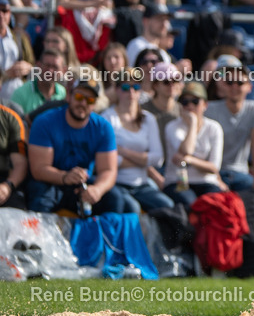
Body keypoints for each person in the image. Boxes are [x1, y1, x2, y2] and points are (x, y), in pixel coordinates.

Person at [25, 77, 125, 215]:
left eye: (90, 100)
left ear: (95, 104)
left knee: (115, 199)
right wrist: (65, 177)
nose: (83, 103)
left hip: (83, 184)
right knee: (39, 196)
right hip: (50, 182)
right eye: (79, 97)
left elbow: (108, 170)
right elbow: (38, 169)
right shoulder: (45, 122)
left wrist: (98, 189)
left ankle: (103, 230)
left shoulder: (103, 127)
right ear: (69, 96)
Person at [101, 78, 172, 214]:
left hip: (142, 185)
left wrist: (124, 152)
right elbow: (109, 161)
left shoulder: (148, 118)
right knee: (133, 208)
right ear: (116, 90)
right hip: (116, 183)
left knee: (168, 206)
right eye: (125, 87)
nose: (131, 92)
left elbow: (158, 159)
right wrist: (143, 161)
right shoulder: (107, 118)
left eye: (136, 87)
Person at [205, 55, 254, 192]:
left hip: (241, 174)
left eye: (239, 82)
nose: (234, 86)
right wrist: (216, 178)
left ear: (249, 86)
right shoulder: (207, 108)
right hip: (213, 173)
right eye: (229, 81)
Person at [162, 81, 225, 208]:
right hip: (177, 182)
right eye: (185, 102)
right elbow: (187, 150)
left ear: (205, 104)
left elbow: (214, 167)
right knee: (192, 204)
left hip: (206, 182)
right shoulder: (172, 126)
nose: (190, 106)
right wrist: (193, 123)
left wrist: (189, 160)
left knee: (215, 204)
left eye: (195, 101)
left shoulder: (214, 127)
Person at [10, 47, 66, 116]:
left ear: (63, 70)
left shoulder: (64, 94)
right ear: (38, 65)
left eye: (55, 67)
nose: (50, 71)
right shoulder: (20, 94)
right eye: (47, 65)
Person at [0, 100, 28, 209]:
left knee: (18, 210)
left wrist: (7, 186)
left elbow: (20, 163)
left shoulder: (11, 116)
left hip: (3, 179)